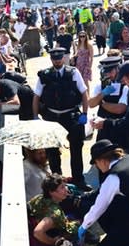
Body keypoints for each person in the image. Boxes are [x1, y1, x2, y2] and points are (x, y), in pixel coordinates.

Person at [33, 48, 89, 188]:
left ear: (64, 58)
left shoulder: (73, 72)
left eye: (59, 58)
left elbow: (84, 93)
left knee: (76, 148)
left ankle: (78, 179)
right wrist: (35, 117)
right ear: (51, 59)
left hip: (71, 115)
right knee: (52, 151)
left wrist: (85, 113)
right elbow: (36, 97)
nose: (57, 61)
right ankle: (57, 181)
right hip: (52, 116)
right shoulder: (45, 75)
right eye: (54, 59)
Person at [89, 55, 129, 144]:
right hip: (103, 128)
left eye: (111, 71)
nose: (108, 75)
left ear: (118, 69)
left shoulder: (126, 86)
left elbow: (120, 109)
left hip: (118, 127)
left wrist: (102, 103)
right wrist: (103, 93)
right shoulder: (101, 85)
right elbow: (91, 104)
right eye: (106, 72)